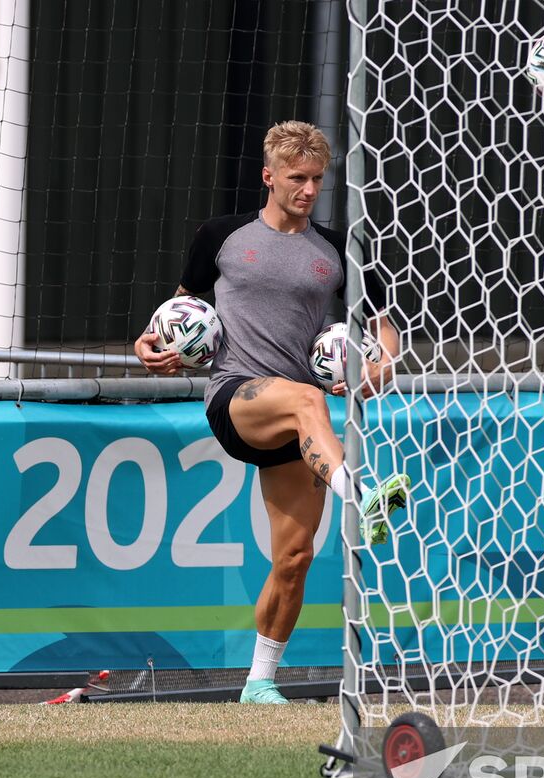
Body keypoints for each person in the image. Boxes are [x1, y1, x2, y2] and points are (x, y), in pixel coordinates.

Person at [134, 120, 409, 705]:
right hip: (237, 397)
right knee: (309, 398)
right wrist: (148, 347)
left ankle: (259, 683)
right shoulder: (221, 236)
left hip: (299, 424)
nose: (308, 189)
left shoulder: (339, 250)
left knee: (295, 557)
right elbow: (174, 317)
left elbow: (389, 331)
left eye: (316, 179)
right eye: (296, 179)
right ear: (269, 177)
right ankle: (360, 497)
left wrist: (380, 366)